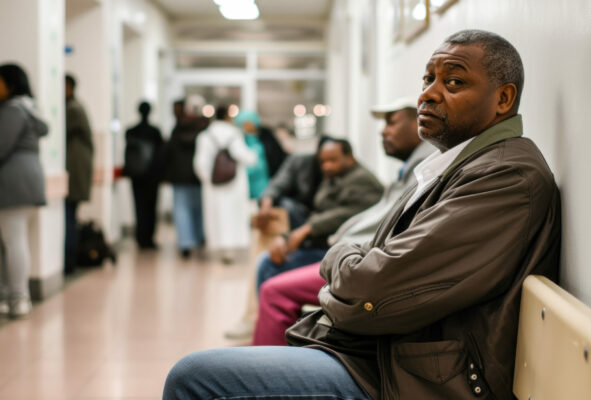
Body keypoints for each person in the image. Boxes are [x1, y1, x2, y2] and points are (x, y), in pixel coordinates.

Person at [163, 30, 561, 400]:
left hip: (411, 377)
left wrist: (338, 257)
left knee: (193, 377)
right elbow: (375, 272)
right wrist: (352, 273)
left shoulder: (505, 177)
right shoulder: (458, 165)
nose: (428, 95)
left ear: (503, 99)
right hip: (388, 354)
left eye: (453, 83)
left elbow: (370, 289)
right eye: (427, 80)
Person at [253, 97, 436, 345]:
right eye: (323, 162)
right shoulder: (410, 170)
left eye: (391, 122)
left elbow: (375, 228)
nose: (383, 131)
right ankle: (267, 329)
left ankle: (266, 366)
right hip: (345, 254)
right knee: (268, 264)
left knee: (273, 289)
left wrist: (335, 245)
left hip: (356, 263)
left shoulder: (426, 170)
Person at [255, 138, 383, 291]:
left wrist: (307, 229)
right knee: (267, 258)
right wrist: (286, 238)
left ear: (349, 158)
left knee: (267, 265)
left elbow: (348, 213)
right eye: (323, 162)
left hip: (340, 253)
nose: (326, 166)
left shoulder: (361, 180)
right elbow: (319, 212)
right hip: (326, 245)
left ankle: (270, 311)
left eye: (332, 160)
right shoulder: (335, 176)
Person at [0, 64, 48, 317]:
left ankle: (17, 297)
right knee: (14, 240)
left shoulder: (12, 110)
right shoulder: (29, 107)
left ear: (11, 83)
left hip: (13, 183)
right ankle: (13, 296)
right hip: (29, 181)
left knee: (13, 240)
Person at [194, 105, 258, 263]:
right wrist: (254, 156)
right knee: (232, 215)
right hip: (233, 183)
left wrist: (209, 179)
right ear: (228, 117)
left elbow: (200, 163)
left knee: (217, 216)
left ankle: (222, 249)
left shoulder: (205, 136)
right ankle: (230, 250)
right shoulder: (234, 134)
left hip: (214, 185)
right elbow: (243, 156)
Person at [164, 99, 208, 259]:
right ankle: (199, 238)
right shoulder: (204, 128)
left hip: (180, 176)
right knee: (199, 209)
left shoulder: (178, 128)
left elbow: (168, 151)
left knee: (181, 209)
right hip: (198, 177)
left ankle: (185, 243)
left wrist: (167, 174)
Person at [256, 136, 328, 231]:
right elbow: (279, 183)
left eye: (332, 160)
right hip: (301, 212)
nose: (327, 166)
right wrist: (266, 202)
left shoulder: (342, 175)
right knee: (286, 204)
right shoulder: (300, 162)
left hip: (323, 217)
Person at [124, 101, 165, 249]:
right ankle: (149, 237)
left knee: (139, 206)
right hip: (151, 177)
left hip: (137, 176)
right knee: (151, 207)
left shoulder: (130, 131)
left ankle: (141, 237)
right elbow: (161, 155)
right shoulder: (155, 132)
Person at [64, 73, 94, 275]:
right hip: (78, 173)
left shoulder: (72, 110)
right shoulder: (76, 107)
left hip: (74, 173)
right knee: (70, 216)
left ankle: (69, 261)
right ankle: (69, 260)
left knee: (69, 217)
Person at [234, 111, 287, 199]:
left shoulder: (266, 135)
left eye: (247, 123)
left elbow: (276, 155)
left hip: (264, 178)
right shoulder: (240, 138)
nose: (245, 127)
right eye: (243, 124)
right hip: (247, 179)